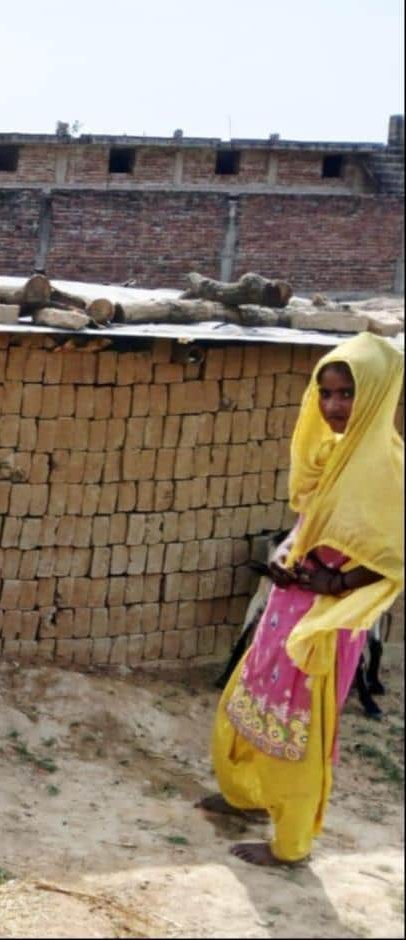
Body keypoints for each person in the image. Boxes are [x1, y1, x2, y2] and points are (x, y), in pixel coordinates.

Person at [198, 332, 403, 866]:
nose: (333, 406)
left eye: (347, 394)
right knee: (249, 699)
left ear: (379, 396)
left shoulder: (387, 468)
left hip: (324, 622)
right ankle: (243, 795)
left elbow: (393, 553)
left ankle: (290, 846)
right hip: (288, 607)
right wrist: (289, 558)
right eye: (326, 393)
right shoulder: (333, 454)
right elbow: (313, 523)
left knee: (301, 725)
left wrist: (335, 584)